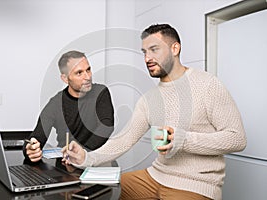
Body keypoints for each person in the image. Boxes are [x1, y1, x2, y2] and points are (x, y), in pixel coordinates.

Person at [63, 24, 247, 200]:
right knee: (96, 193)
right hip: (155, 176)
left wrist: (183, 140)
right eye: (144, 52)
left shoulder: (208, 84)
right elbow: (124, 140)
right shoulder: (149, 99)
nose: (147, 58)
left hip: (194, 184)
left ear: (175, 49)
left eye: (154, 49)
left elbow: (237, 139)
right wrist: (87, 158)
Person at [23, 50, 114, 163]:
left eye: (88, 70)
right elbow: (37, 135)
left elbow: (106, 126)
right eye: (79, 73)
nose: (87, 77)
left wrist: (82, 152)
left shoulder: (101, 92)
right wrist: (30, 150)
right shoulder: (56, 103)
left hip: (95, 161)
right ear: (65, 79)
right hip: (66, 163)